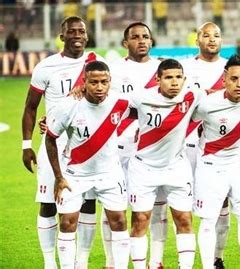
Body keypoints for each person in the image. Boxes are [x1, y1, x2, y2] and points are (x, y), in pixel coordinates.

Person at [21, 16, 101, 269]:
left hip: (87, 142)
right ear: (62, 36)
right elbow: (30, 107)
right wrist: (26, 145)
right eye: (72, 31)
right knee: (47, 202)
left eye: (82, 31)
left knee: (88, 201)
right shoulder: (46, 67)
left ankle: (81, 262)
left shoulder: (97, 64)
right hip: (52, 142)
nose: (77, 35)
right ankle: (49, 263)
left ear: (87, 36)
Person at [45, 60, 130, 269]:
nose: (99, 87)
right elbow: (50, 138)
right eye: (93, 82)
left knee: (119, 221)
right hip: (75, 174)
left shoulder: (121, 102)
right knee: (67, 223)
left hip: (110, 173)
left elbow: (147, 109)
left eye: (104, 82)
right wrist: (59, 177)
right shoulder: (69, 106)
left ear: (110, 81)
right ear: (84, 82)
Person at [128, 59, 203, 269]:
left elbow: (218, 93)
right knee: (140, 220)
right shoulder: (141, 96)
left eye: (178, 77)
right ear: (158, 79)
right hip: (144, 168)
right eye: (168, 77)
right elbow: (109, 102)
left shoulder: (192, 95)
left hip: (176, 167)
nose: (174, 82)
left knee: (184, 220)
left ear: (184, 79)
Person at [192, 55, 240, 269]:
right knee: (207, 222)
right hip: (211, 167)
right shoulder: (206, 104)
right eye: (234, 79)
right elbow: (187, 119)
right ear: (224, 80)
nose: (239, 84)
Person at [106, 21, 163, 269]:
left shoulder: (163, 68)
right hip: (119, 146)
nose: (141, 40)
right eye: (135, 37)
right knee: (113, 207)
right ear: (125, 43)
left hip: (153, 149)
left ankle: (156, 261)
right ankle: (111, 262)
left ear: (151, 41)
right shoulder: (114, 69)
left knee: (156, 207)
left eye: (145, 36)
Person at [179, 21, 230, 269]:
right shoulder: (186, 68)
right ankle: (183, 260)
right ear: (197, 39)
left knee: (221, 202)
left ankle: (217, 258)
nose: (212, 39)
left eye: (217, 35)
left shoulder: (230, 69)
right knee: (182, 202)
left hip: (219, 145)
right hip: (188, 142)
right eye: (206, 35)